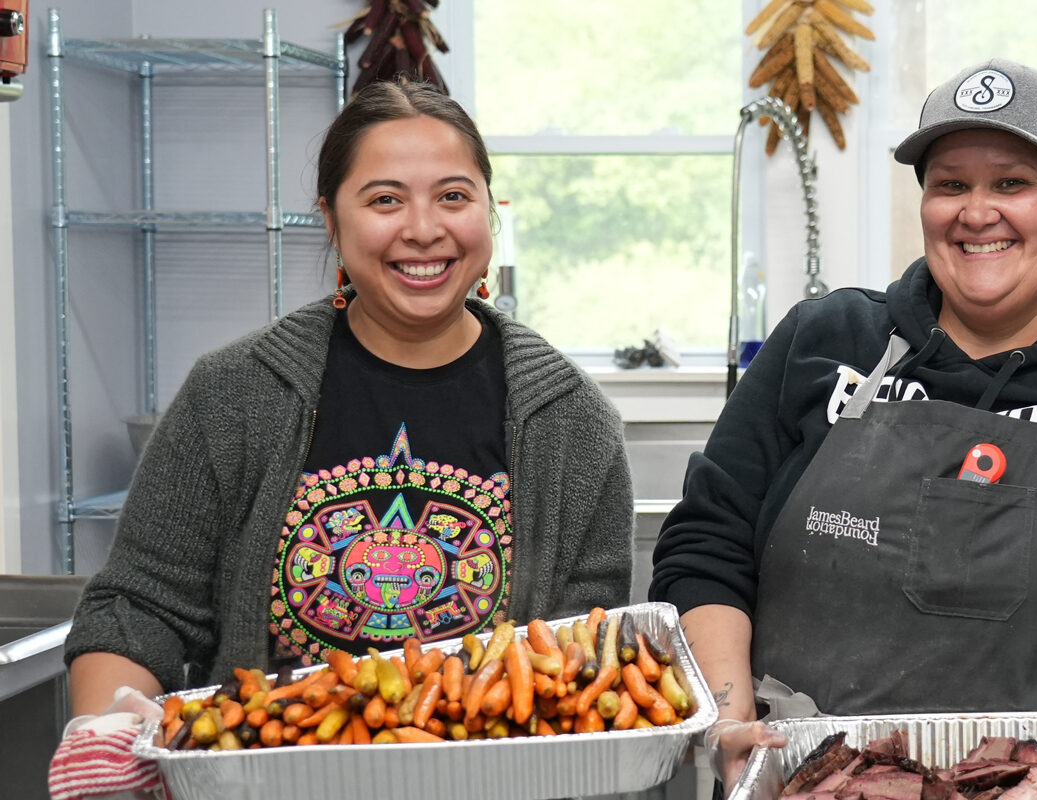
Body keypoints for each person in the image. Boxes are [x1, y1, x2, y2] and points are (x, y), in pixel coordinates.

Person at [652, 58, 1037, 788]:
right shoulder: (822, 340)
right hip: (804, 783)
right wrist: (732, 722)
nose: (976, 211)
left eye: (1012, 183)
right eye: (950, 184)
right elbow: (709, 545)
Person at [55, 79, 632, 779]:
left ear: (489, 211)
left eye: (453, 196)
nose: (423, 228)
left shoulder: (573, 424)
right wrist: (108, 724)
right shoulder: (232, 396)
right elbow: (138, 608)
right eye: (385, 199)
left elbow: (580, 667)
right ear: (331, 218)